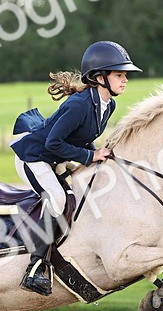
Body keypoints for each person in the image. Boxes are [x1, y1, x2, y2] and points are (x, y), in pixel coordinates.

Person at [10, 40, 142, 295]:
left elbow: (83, 137)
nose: (124, 80)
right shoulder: (79, 104)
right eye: (119, 75)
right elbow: (53, 142)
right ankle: (36, 267)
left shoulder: (107, 104)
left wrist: (95, 156)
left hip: (56, 156)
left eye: (125, 75)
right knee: (58, 199)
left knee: (86, 190)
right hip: (34, 157)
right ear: (99, 77)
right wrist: (90, 155)